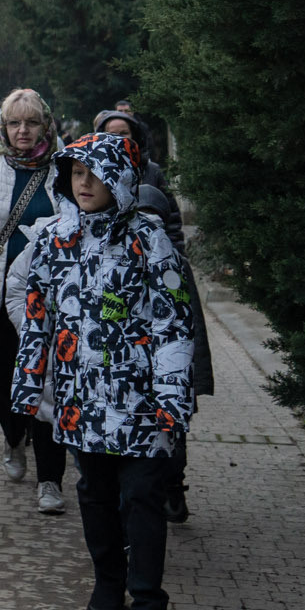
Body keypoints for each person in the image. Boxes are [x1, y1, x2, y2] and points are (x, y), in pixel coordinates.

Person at [12, 131, 196, 610]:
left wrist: (171, 400)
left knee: (141, 499)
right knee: (93, 494)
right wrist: (28, 386)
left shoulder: (149, 240)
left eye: (94, 172)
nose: (84, 182)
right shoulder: (53, 239)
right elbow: (37, 318)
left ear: (119, 178)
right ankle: (108, 585)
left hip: (141, 405)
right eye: (75, 173)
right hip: (80, 399)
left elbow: (173, 325)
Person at [0, 88, 68, 512]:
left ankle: (50, 479)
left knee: (47, 384)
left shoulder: (64, 171)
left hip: (50, 300)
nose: (23, 131)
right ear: (2, 128)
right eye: (14, 123)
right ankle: (12, 436)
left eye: (32, 123)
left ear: (46, 125)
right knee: (3, 383)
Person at [136, 182, 212, 522]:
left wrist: (193, 378)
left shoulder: (174, 264)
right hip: (134, 372)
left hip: (171, 372)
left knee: (174, 435)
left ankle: (174, 490)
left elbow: (191, 324)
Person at [93, 108, 170, 194]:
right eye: (112, 134)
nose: (119, 138)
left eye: (124, 133)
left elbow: (169, 205)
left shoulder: (152, 171)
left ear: (135, 136)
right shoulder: (95, 172)